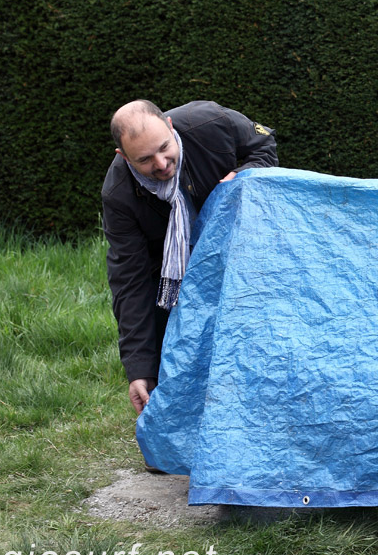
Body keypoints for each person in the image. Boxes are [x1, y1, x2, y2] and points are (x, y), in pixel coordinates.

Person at [103, 100, 278, 415]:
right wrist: (139, 369)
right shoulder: (119, 195)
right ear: (123, 157)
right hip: (171, 272)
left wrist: (243, 177)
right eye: (144, 159)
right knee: (169, 336)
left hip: (240, 246)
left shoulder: (211, 122)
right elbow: (131, 283)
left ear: (170, 126)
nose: (161, 164)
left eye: (164, 148)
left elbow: (264, 146)